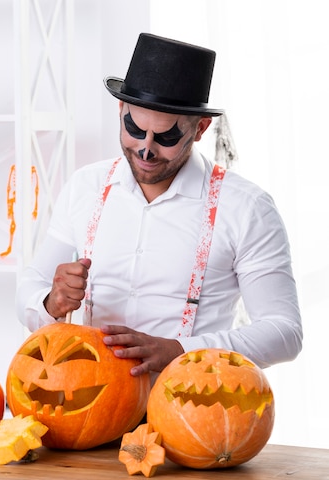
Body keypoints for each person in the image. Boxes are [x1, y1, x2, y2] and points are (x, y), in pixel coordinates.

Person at [15, 33, 303, 378]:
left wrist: (182, 350)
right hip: (89, 402)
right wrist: (51, 301)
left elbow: (285, 333)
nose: (145, 149)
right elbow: (30, 289)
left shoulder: (247, 208)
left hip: (189, 408)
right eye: (134, 128)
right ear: (121, 110)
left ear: (200, 129)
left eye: (166, 137)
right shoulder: (85, 187)